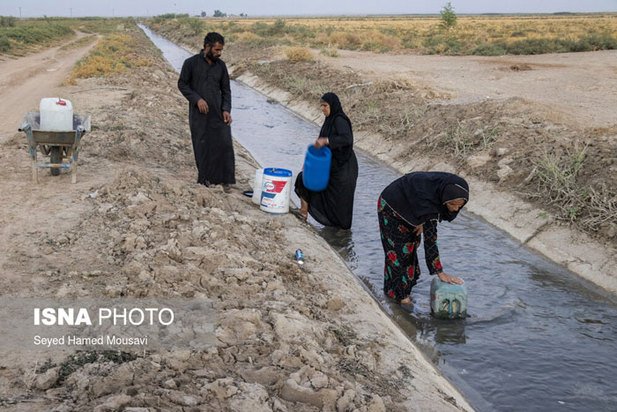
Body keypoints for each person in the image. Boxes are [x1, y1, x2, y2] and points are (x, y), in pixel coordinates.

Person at [377, 171, 469, 306]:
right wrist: (440, 272)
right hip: (391, 207)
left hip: (413, 207)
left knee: (409, 249)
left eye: (459, 205)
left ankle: (394, 293)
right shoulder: (430, 203)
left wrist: (423, 221)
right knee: (397, 254)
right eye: (452, 204)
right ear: (444, 199)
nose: (455, 209)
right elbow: (431, 240)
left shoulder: (446, 188)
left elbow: (432, 214)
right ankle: (402, 300)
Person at [178, 32, 234, 192]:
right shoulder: (190, 63)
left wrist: (226, 109)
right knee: (202, 144)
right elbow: (182, 84)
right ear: (207, 47)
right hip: (199, 114)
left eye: (221, 50)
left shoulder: (221, 66)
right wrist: (197, 99)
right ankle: (204, 179)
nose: (219, 53)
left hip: (218, 112)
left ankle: (224, 180)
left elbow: (226, 90)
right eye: (216, 50)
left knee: (223, 143)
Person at [294, 92, 358, 230]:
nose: (322, 109)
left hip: (344, 167)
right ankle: (303, 212)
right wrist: (307, 164)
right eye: (321, 106)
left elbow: (347, 139)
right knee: (303, 179)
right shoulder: (329, 120)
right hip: (330, 163)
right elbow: (320, 142)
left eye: (325, 106)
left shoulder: (340, 120)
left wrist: (327, 141)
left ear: (332, 105)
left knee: (341, 201)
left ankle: (342, 232)